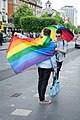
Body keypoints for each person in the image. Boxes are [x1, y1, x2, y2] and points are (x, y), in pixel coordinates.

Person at [36, 28, 57, 104]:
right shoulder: (52, 44)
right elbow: (53, 57)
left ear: (44, 33)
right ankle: (42, 99)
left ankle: (40, 98)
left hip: (40, 65)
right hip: (47, 66)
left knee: (40, 81)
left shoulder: (39, 42)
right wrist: (55, 68)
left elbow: (30, 41)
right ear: (50, 34)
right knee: (44, 82)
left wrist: (18, 35)